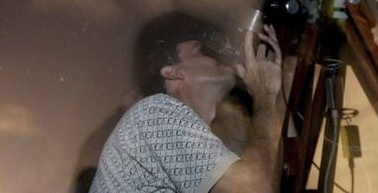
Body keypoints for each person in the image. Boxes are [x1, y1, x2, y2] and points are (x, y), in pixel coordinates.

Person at [89, 11, 285, 193]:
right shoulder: (155, 115)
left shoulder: (196, 140)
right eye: (201, 49)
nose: (218, 55)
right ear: (171, 71)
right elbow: (257, 188)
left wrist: (275, 92)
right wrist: (265, 95)